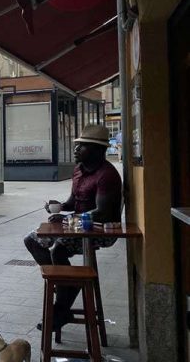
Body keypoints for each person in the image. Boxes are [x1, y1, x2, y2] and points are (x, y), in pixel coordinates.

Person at [24, 124, 123, 333]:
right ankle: (66, 285)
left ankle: (62, 306)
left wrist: (69, 219)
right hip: (77, 223)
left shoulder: (108, 175)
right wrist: (59, 207)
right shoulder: (78, 170)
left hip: (100, 228)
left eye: (82, 146)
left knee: (59, 248)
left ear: (97, 150)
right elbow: (72, 202)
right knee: (31, 239)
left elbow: (101, 212)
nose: (76, 150)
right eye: (77, 145)